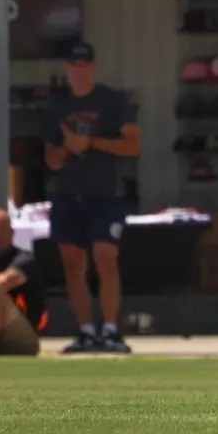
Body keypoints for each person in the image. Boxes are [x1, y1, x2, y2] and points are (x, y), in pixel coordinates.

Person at [43, 41, 140, 354]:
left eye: (84, 64)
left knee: (105, 257)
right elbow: (51, 161)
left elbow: (133, 146)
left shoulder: (112, 100)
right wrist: (69, 147)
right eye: (74, 64)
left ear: (93, 67)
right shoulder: (57, 107)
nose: (79, 70)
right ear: (66, 68)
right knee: (73, 265)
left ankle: (110, 329)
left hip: (104, 193)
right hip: (68, 194)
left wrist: (92, 142)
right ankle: (85, 331)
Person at [0, 208, 43, 356]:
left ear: (12, 232)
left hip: (20, 340)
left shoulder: (25, 259)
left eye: (1, 230)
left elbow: (3, 282)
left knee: (0, 300)